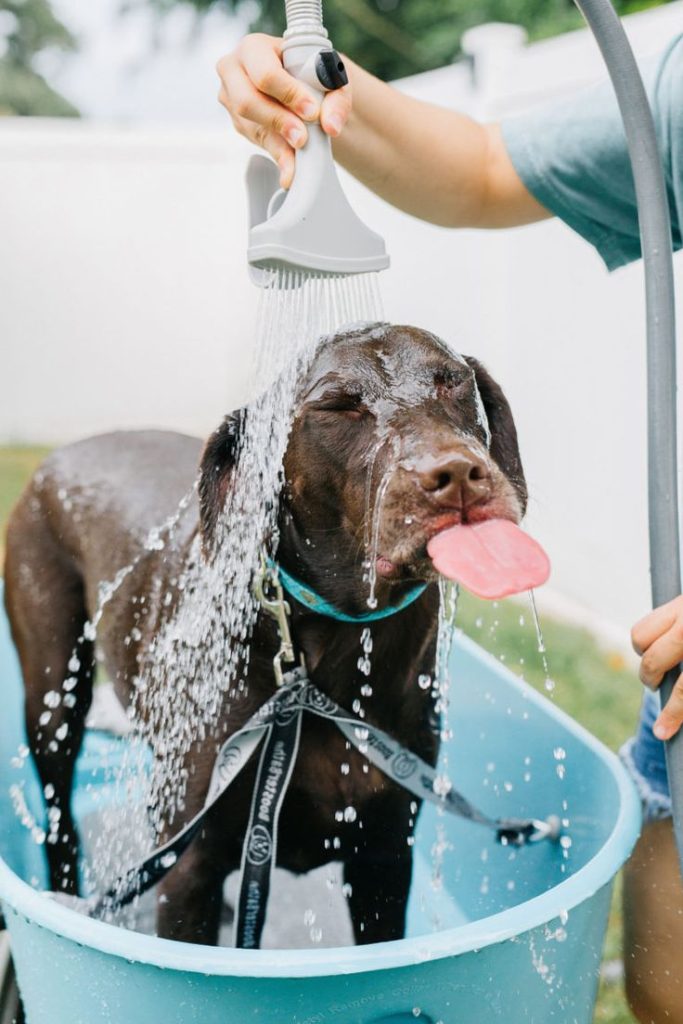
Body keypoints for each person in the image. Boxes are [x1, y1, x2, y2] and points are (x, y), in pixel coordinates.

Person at [216, 32, 683, 1023]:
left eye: (449, 394)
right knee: (664, 987)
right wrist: (316, 84)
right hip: (677, 667)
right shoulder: (674, 83)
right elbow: (478, 168)